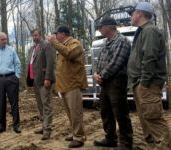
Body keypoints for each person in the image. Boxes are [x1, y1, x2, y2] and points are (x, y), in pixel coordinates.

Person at [127, 2, 171, 149]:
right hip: (141, 83)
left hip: (148, 84)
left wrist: (144, 83)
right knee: (146, 118)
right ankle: (153, 146)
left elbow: (149, 57)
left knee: (153, 118)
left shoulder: (149, 31)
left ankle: (163, 146)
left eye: (132, 14)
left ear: (140, 13)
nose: (131, 17)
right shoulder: (143, 30)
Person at [93, 17, 133, 149]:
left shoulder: (122, 41)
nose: (99, 29)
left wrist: (101, 76)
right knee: (105, 111)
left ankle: (126, 143)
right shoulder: (106, 42)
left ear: (110, 27)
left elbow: (116, 62)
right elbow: (100, 61)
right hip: (105, 82)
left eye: (101, 26)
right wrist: (96, 74)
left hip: (117, 82)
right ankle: (110, 138)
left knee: (120, 113)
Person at [46, 26, 87, 148]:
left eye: (56, 34)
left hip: (73, 84)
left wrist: (53, 42)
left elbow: (69, 54)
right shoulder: (63, 46)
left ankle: (79, 137)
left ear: (63, 34)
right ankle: (76, 133)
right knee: (70, 112)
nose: (55, 36)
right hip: (65, 85)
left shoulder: (75, 43)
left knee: (76, 112)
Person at [26, 29, 55, 140]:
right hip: (35, 81)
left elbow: (50, 62)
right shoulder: (32, 49)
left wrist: (48, 78)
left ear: (40, 35)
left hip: (44, 81)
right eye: (33, 35)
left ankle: (47, 130)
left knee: (46, 105)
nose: (35, 37)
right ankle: (44, 126)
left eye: (36, 35)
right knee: (40, 106)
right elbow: (31, 64)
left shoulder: (46, 45)